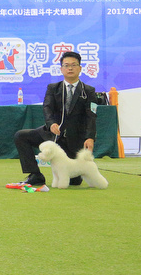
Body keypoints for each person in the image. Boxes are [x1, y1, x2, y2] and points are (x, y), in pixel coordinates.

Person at [14, 51, 97, 187]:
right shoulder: (53, 88)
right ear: (61, 69)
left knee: (74, 181)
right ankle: (35, 175)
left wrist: (90, 137)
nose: (70, 68)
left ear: (80, 68)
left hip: (74, 138)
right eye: (66, 65)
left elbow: (91, 115)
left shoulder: (88, 91)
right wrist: (51, 123)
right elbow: (47, 108)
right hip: (51, 134)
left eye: (74, 65)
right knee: (21, 136)